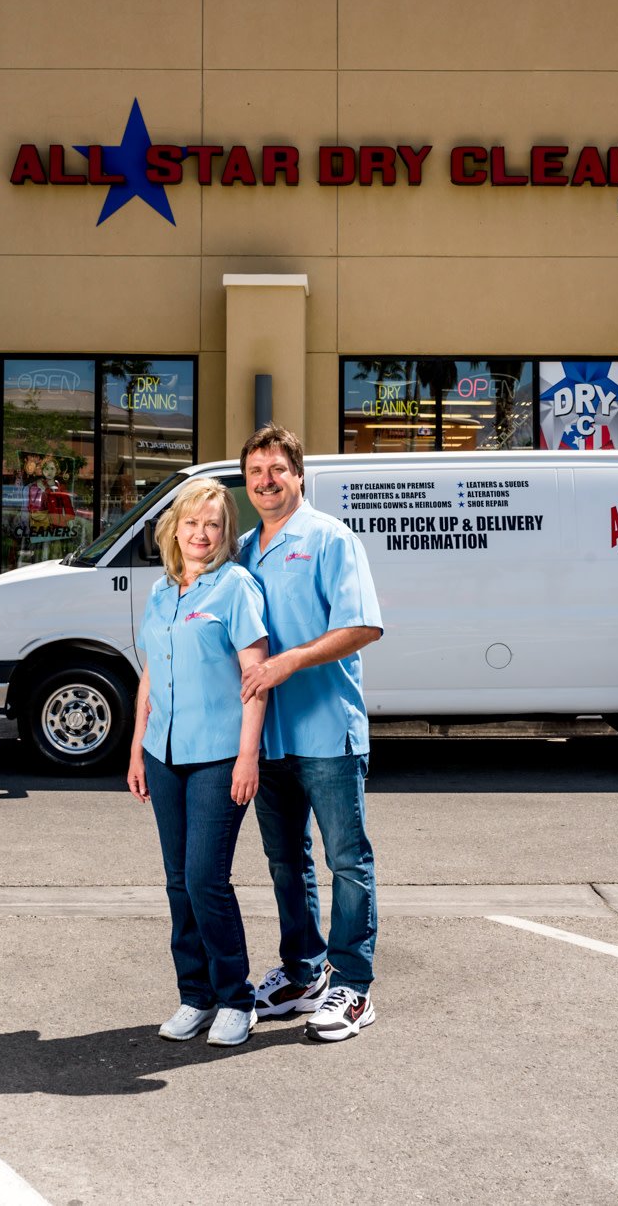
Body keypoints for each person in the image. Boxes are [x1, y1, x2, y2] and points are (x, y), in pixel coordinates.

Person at [237, 423, 383, 1043]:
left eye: (277, 470)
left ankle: (352, 985)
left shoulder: (331, 539)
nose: (266, 482)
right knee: (286, 862)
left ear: (299, 475)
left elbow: (362, 627)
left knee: (346, 861)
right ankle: (304, 973)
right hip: (268, 739)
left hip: (327, 733)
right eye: (255, 473)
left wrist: (288, 661)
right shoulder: (242, 548)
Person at [127, 477, 270, 1048]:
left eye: (213, 524)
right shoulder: (163, 590)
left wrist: (247, 758)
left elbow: (256, 682)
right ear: (175, 529)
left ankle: (237, 998)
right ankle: (195, 995)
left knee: (205, 878)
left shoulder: (237, 587)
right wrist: (137, 747)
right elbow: (150, 676)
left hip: (218, 756)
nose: (201, 534)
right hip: (163, 754)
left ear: (225, 532)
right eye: (192, 523)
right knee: (177, 883)